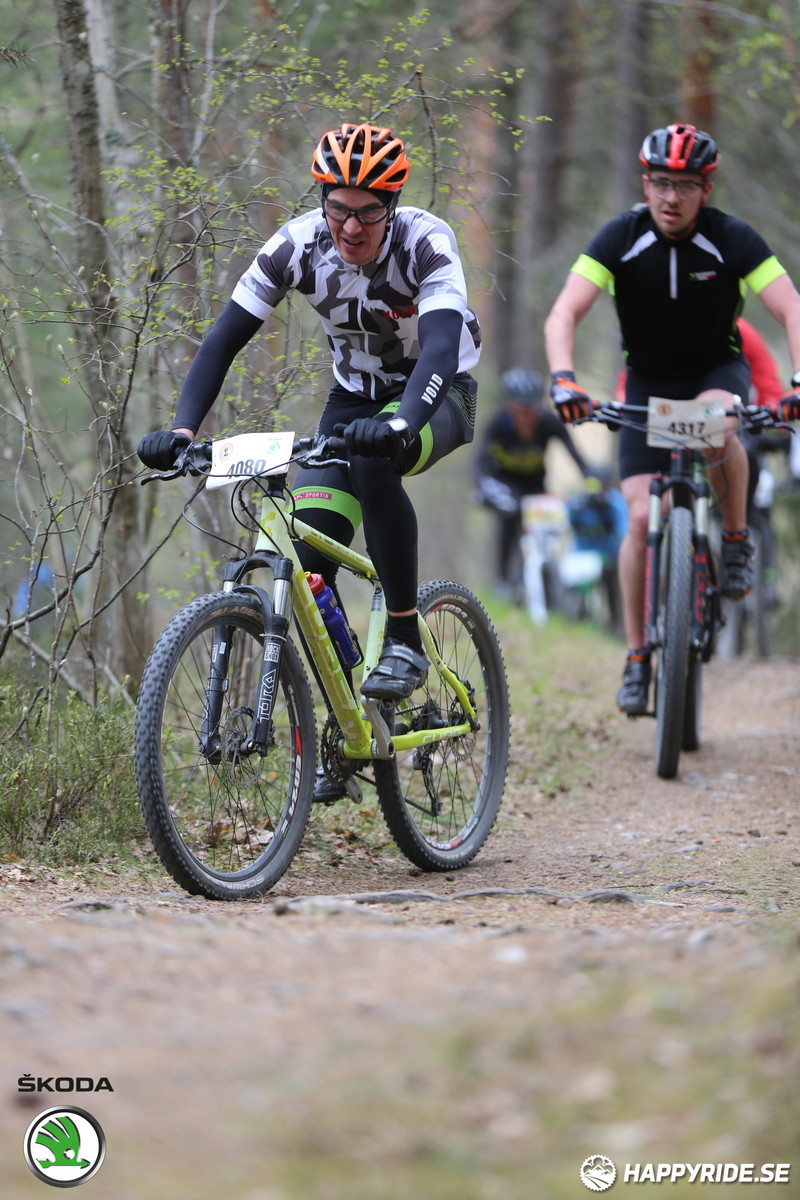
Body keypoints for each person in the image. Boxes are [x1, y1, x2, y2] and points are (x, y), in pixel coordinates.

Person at [137, 121, 481, 797]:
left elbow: (440, 350)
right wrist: (182, 431)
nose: (352, 227)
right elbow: (222, 340)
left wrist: (403, 422)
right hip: (351, 399)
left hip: (437, 396)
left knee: (380, 462)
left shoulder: (425, 240)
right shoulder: (297, 243)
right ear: (323, 198)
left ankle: (406, 639)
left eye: (369, 212)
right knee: (311, 559)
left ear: (393, 204)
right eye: (339, 208)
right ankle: (351, 725)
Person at [544, 122, 800, 714]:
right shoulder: (621, 237)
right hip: (648, 384)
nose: (670, 197)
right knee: (638, 517)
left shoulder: (733, 240)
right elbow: (564, 313)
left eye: (684, 185)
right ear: (645, 182)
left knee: (719, 430)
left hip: (716, 373)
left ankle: (733, 540)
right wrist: (564, 378)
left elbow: (789, 307)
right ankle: (637, 658)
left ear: (705, 189)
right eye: (661, 183)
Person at [473, 366, 591, 595]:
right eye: (521, 409)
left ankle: (554, 587)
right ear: (510, 406)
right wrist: (482, 486)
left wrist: (592, 480)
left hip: (536, 487)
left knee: (550, 528)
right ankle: (503, 581)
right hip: (505, 486)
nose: (527, 415)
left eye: (532, 408)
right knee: (508, 522)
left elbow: (576, 456)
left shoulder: (548, 423)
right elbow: (478, 463)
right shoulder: (498, 424)